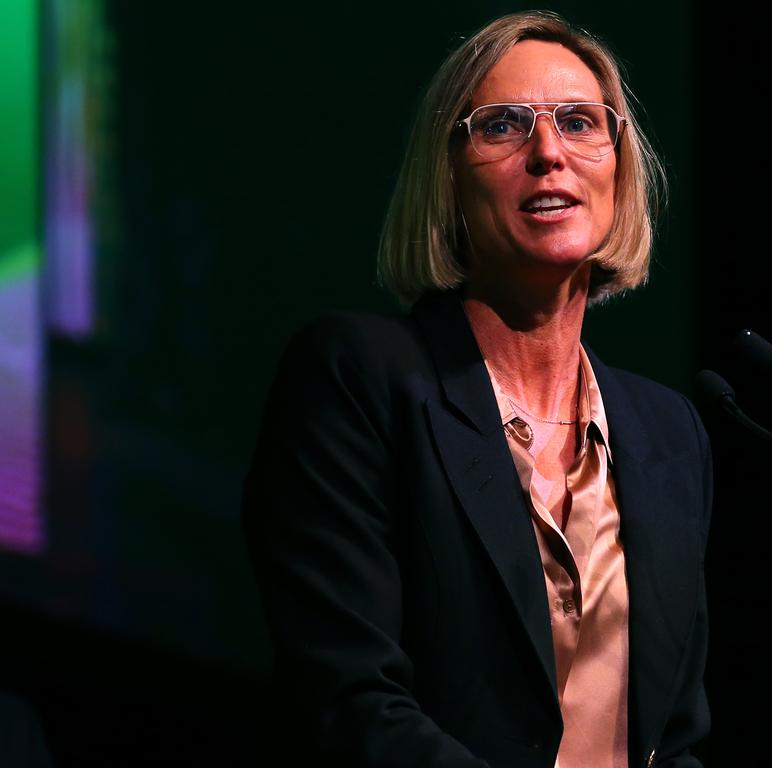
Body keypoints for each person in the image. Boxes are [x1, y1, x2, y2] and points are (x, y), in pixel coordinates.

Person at [243, 10, 712, 768]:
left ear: (618, 165)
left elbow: (676, 738)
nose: (549, 153)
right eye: (501, 126)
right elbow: (349, 700)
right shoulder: (362, 378)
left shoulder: (668, 434)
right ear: (448, 174)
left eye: (580, 122)